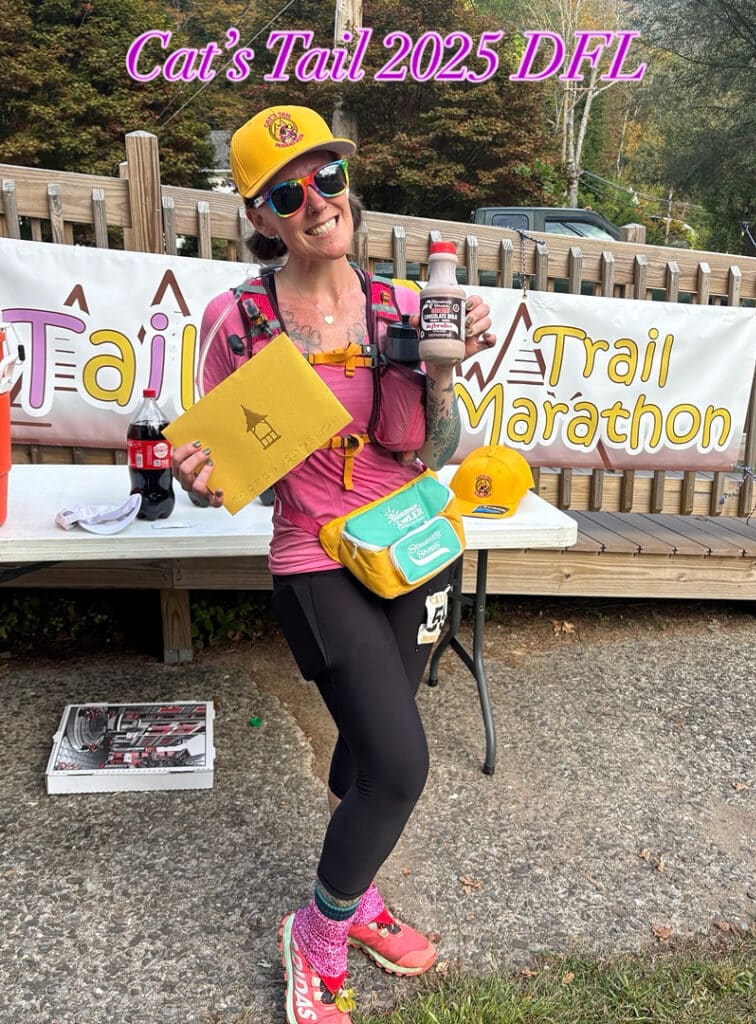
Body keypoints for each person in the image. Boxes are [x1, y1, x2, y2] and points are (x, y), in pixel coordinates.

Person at [170, 105, 496, 1024]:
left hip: (409, 546)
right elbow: (225, 474)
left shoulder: (407, 307)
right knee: (398, 765)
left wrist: (443, 373)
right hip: (314, 556)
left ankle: (357, 895)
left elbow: (436, 450)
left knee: (362, 749)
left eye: (328, 178)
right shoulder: (238, 321)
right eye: (288, 194)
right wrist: (201, 477)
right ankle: (316, 932)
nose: (318, 202)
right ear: (259, 217)